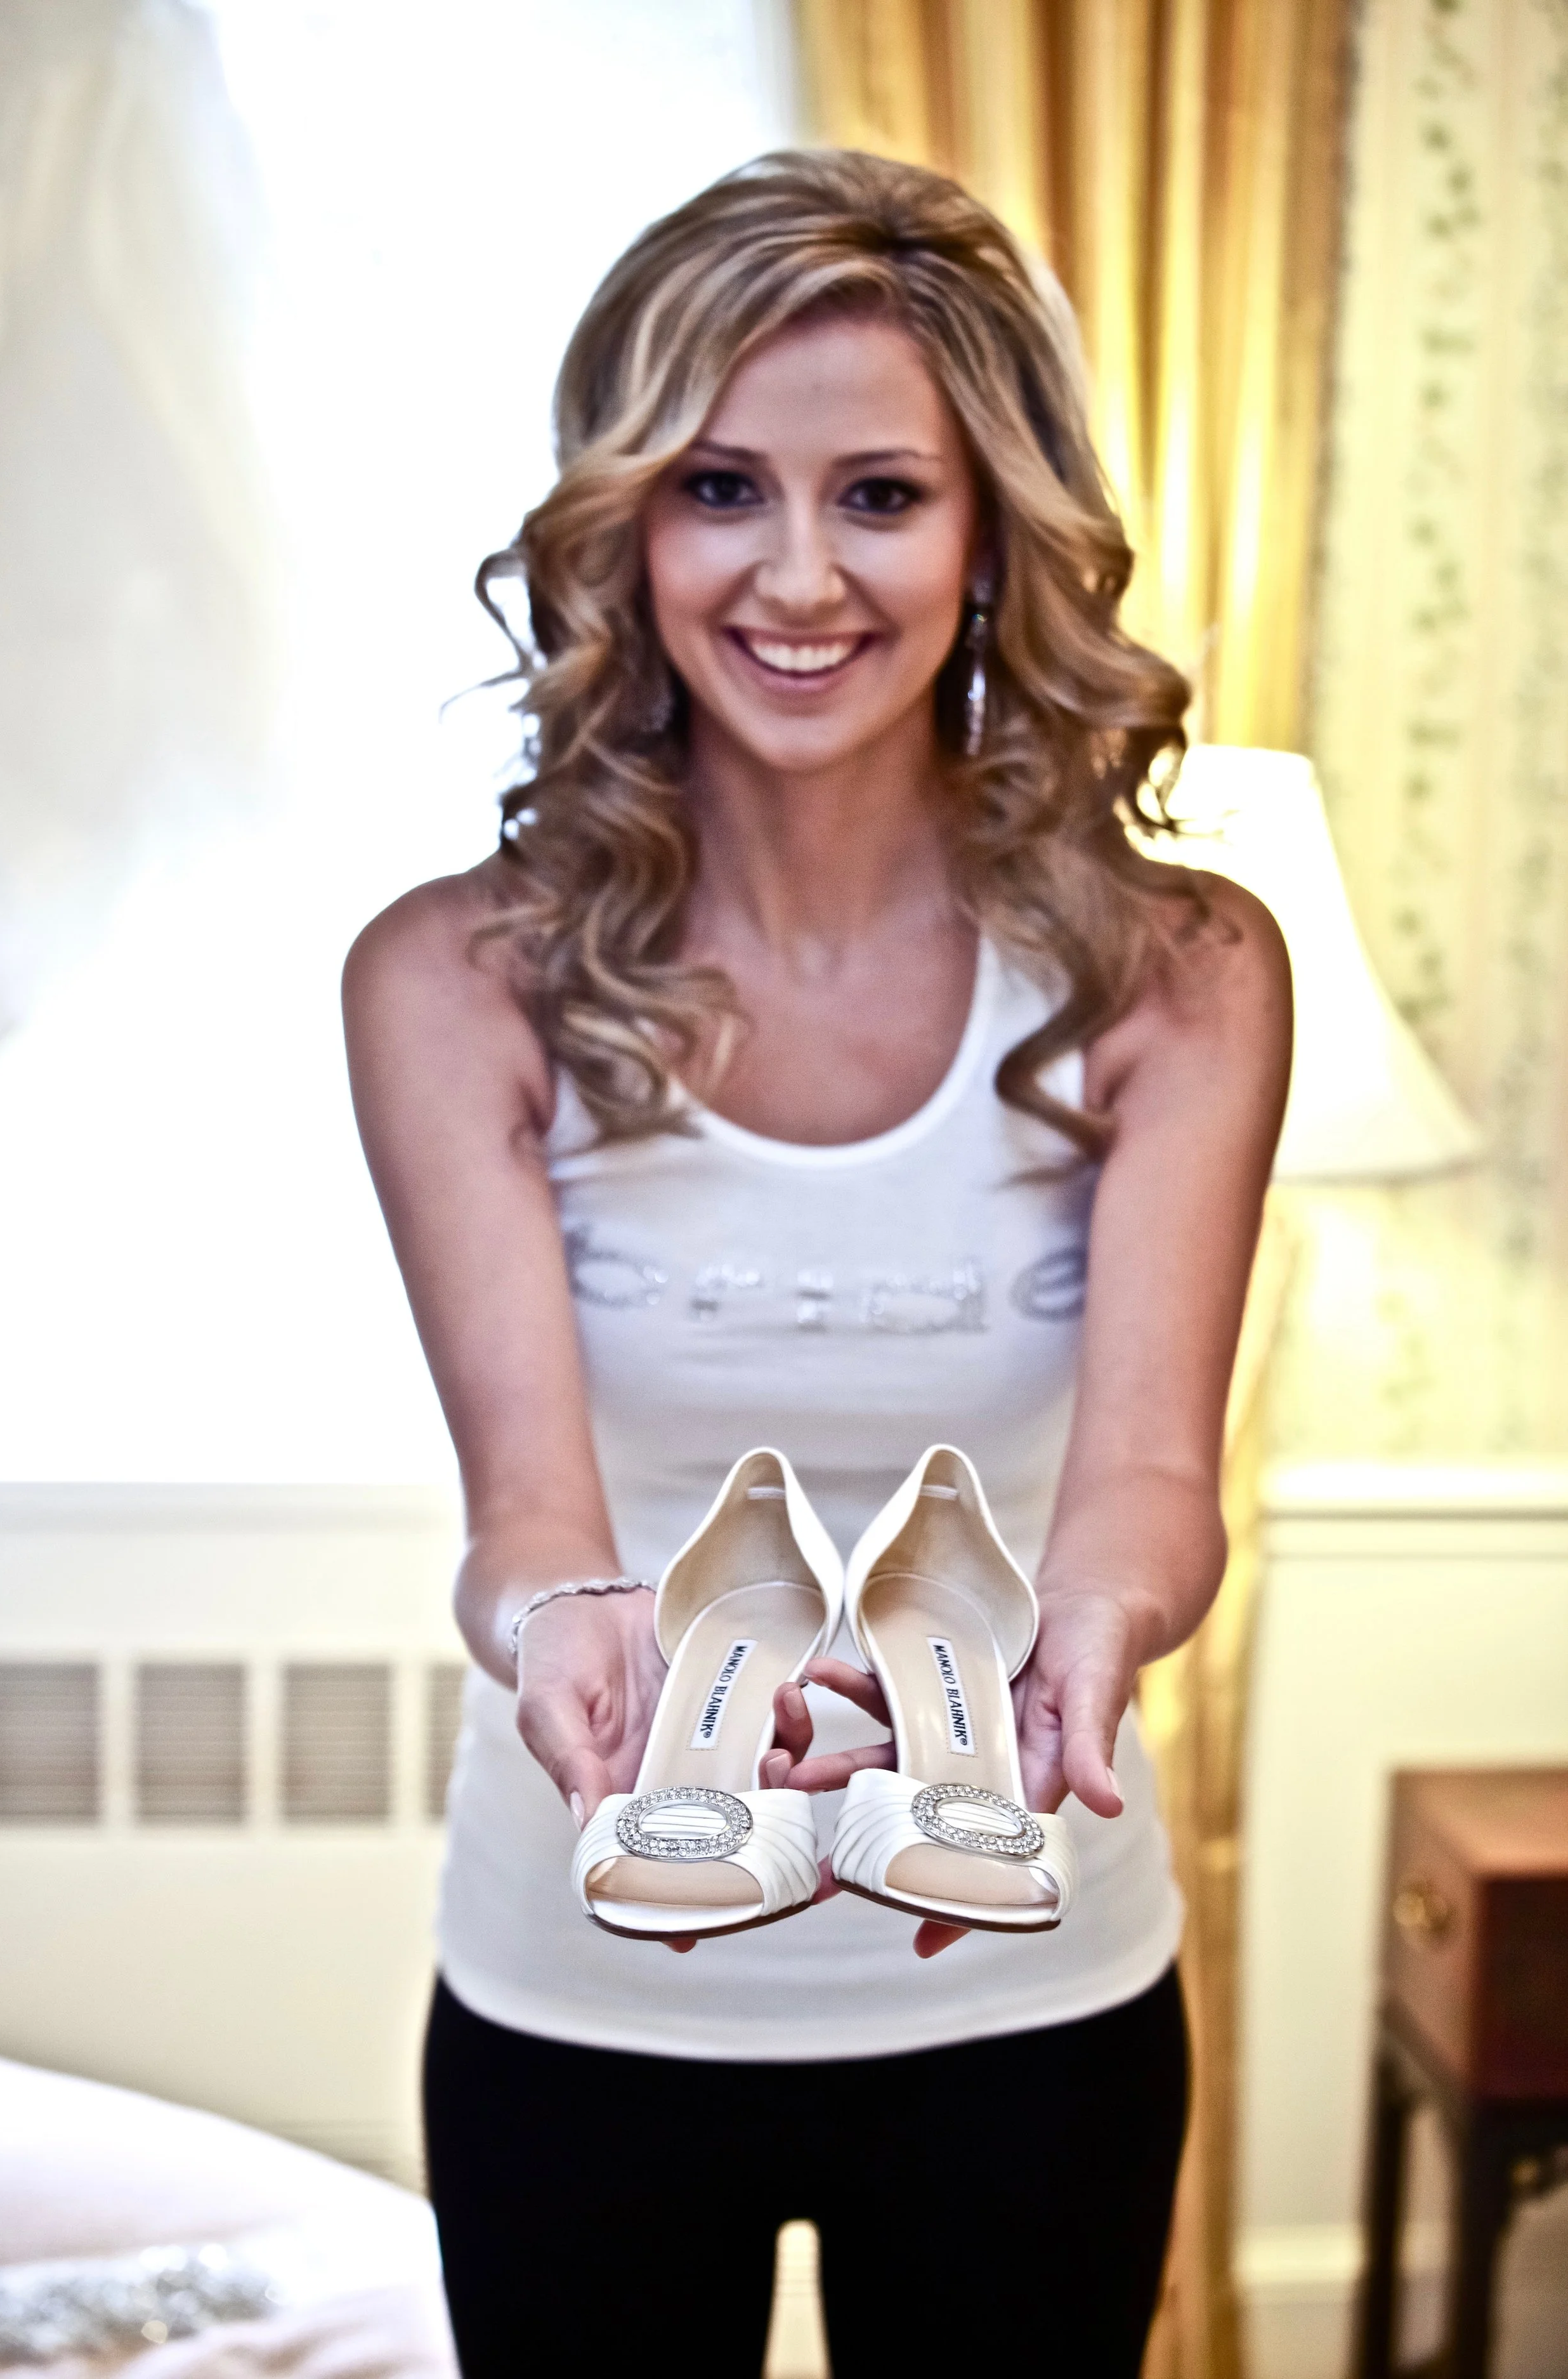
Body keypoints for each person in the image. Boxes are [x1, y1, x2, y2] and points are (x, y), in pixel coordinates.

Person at [342, 149, 1290, 2378]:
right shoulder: (450, 983)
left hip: (1029, 1981)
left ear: (988, 542)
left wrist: (1089, 1623)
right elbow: (532, 1522)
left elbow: (1152, 1479)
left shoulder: (1182, 971)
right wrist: (566, 1628)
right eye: (713, 490)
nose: (793, 574)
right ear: (621, 531)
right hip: (588, 1977)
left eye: (877, 494)